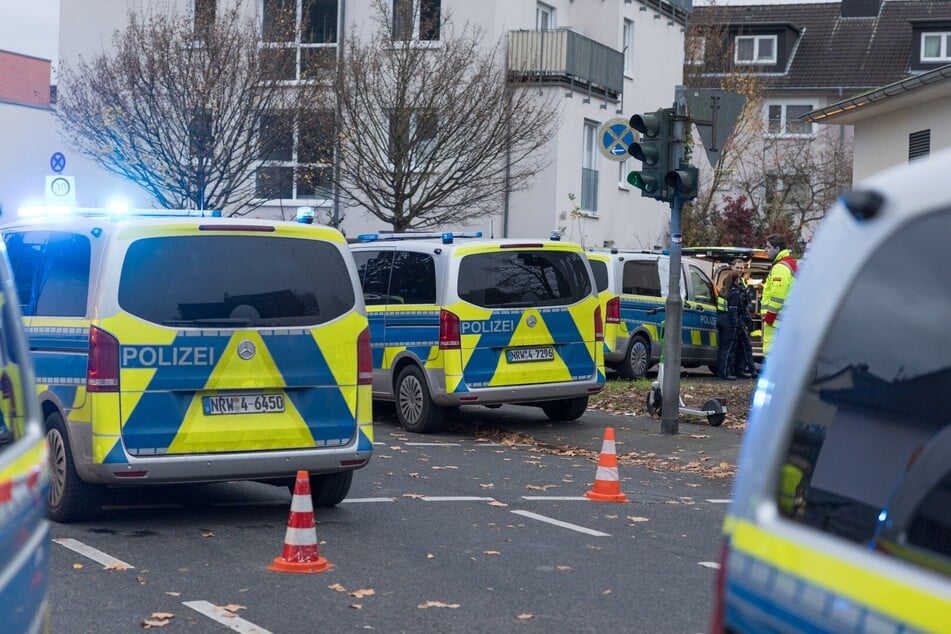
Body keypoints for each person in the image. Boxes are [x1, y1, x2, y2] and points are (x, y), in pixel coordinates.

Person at [761, 234, 798, 356]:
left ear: (777, 249)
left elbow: (778, 295)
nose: (765, 250)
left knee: (771, 352)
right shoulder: (788, 264)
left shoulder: (780, 268)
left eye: (768, 247)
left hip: (776, 321)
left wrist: (769, 317)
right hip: (783, 319)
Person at [730, 259, 757, 379]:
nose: (740, 270)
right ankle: (736, 371)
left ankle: (739, 370)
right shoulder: (729, 281)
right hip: (736, 318)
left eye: (741, 268)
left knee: (742, 347)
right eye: (737, 267)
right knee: (737, 346)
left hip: (743, 318)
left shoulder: (742, 282)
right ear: (732, 267)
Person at [716, 270, 742, 380]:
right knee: (727, 348)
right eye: (739, 279)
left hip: (720, 319)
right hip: (728, 322)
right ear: (736, 280)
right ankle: (725, 372)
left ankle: (720, 371)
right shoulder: (735, 292)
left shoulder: (723, 290)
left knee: (722, 347)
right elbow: (733, 310)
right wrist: (735, 324)